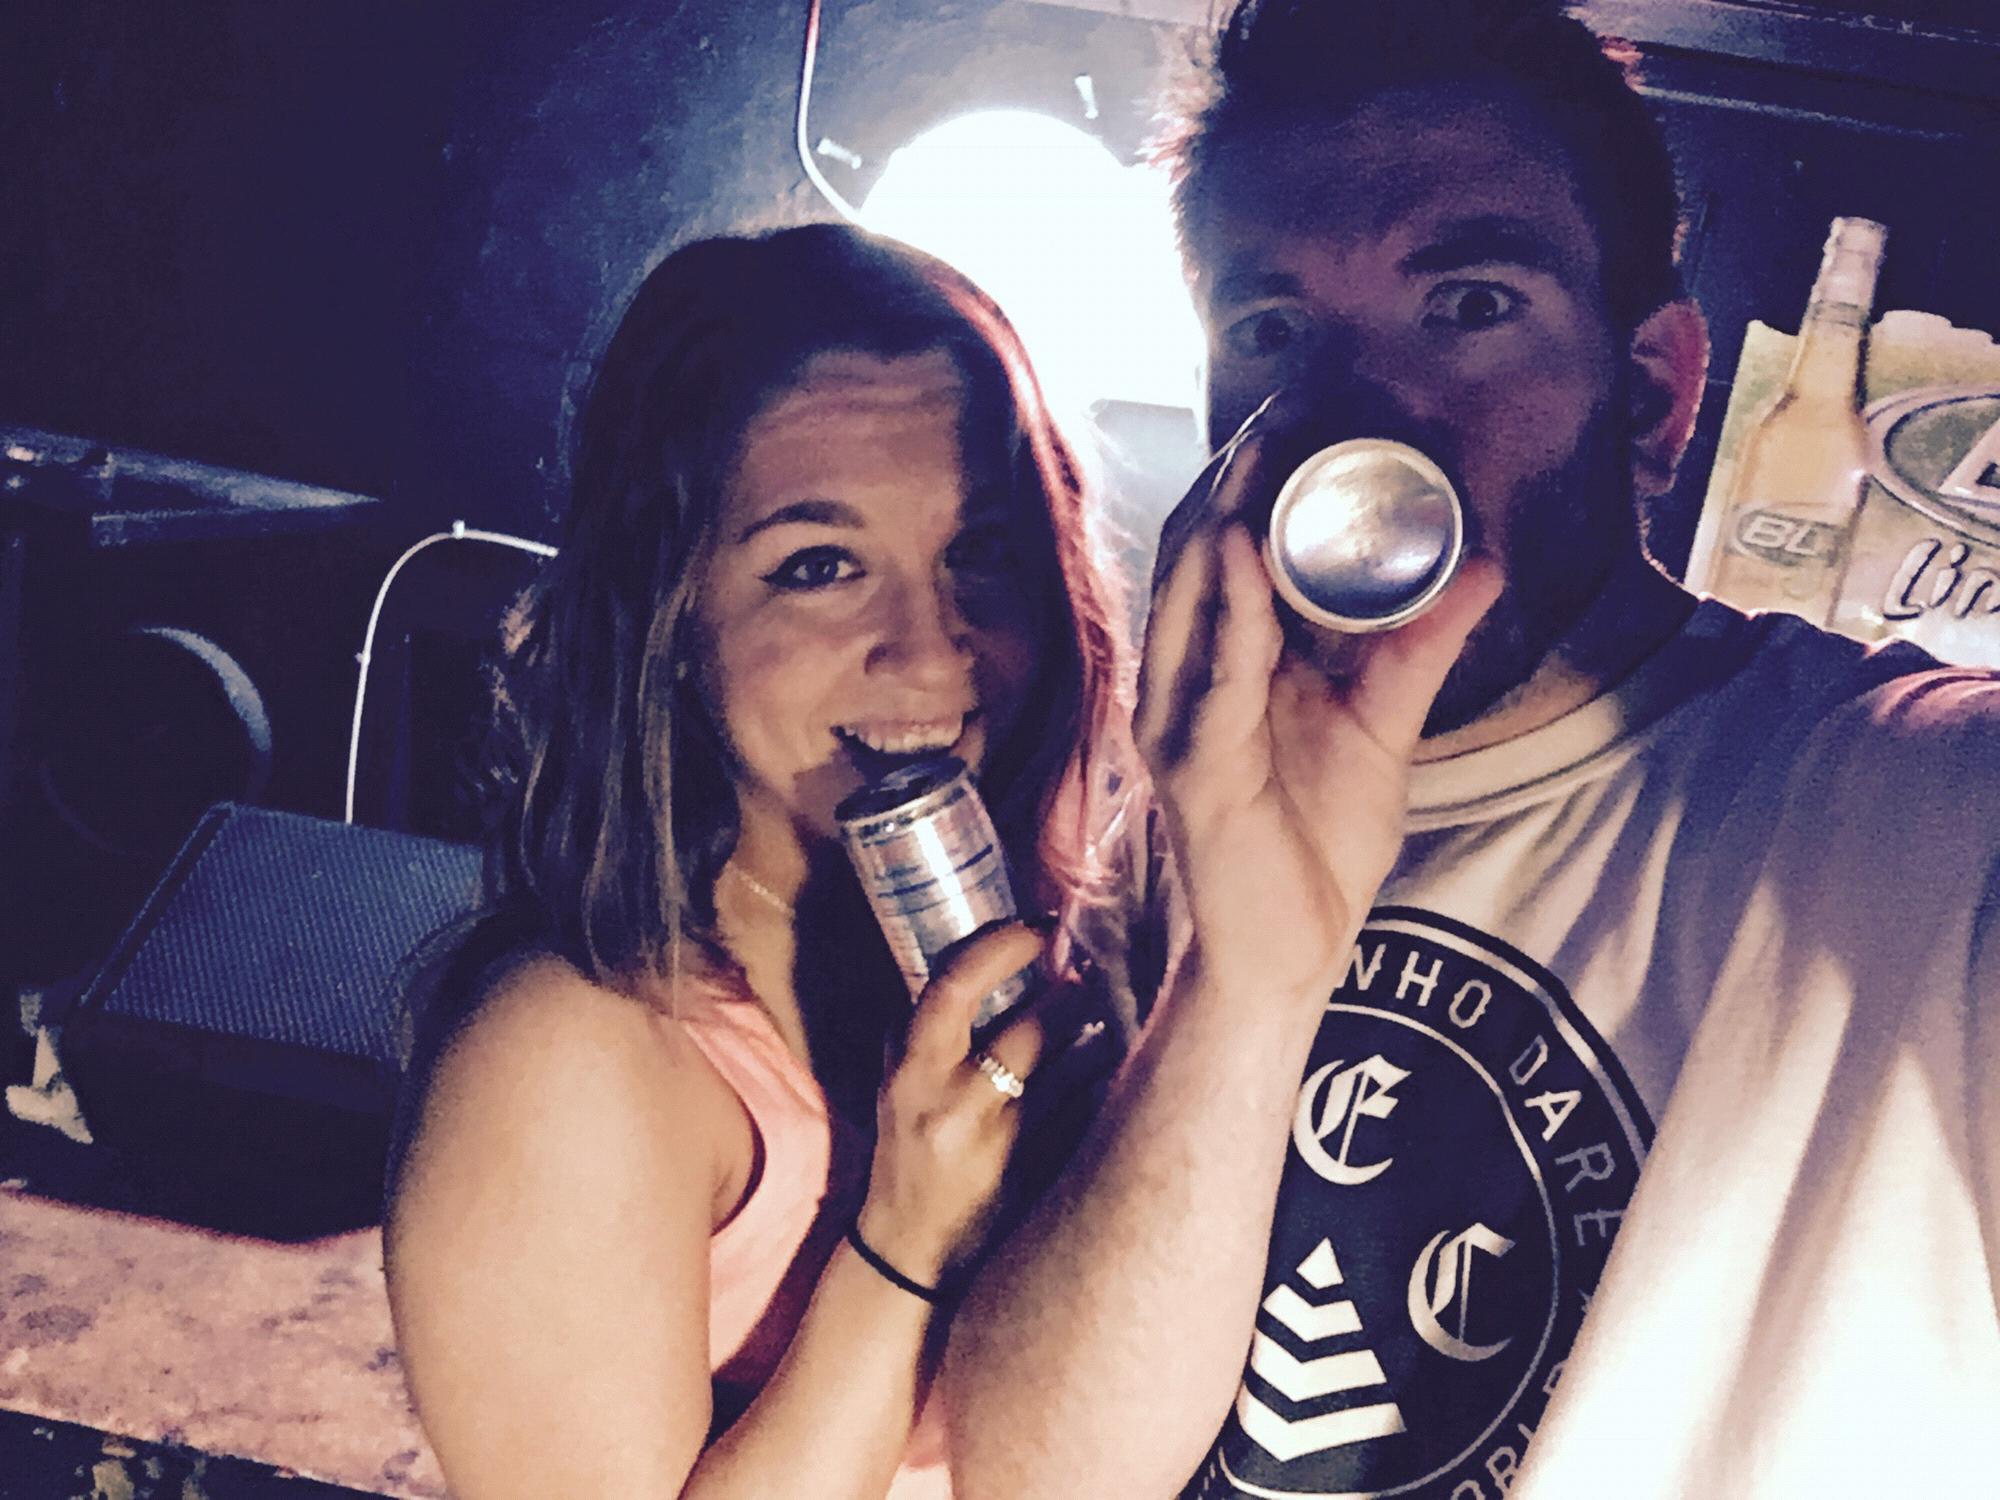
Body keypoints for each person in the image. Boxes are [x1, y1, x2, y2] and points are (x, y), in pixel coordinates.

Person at [941, 2, 2000, 1497]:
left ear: (1654, 396)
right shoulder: (1173, 830)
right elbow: (1045, 1477)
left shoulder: (1916, 807)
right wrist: (1244, 978)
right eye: (1271, 331)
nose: (1357, 417)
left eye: (1470, 305)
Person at [383, 222, 1141, 1500]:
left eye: (979, 552)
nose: (931, 649)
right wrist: (902, 1240)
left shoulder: (1078, 961)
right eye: (819, 567)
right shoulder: (572, 1054)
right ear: (667, 618)